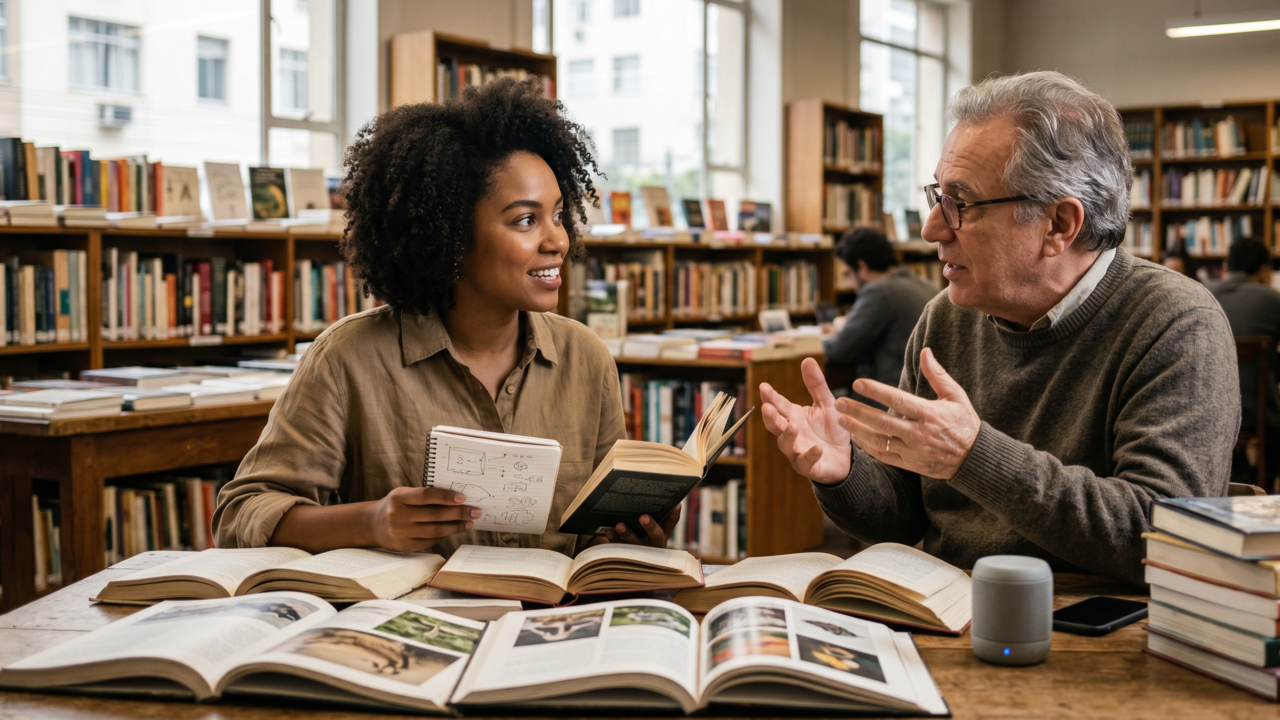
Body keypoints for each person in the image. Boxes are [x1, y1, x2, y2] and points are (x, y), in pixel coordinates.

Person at [759, 71, 1239, 586]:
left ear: (1059, 225)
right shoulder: (945, 317)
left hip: (1094, 634)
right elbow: (903, 516)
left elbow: (1160, 533)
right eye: (937, 196)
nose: (931, 229)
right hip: (951, 616)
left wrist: (973, 454)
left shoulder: (1175, 322)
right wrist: (845, 472)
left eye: (960, 203)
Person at [213, 78, 679, 556]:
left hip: (553, 625)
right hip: (413, 627)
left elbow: (597, 536)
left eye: (558, 215)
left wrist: (634, 538)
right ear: (451, 236)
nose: (557, 241)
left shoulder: (586, 358)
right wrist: (369, 522)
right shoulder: (347, 359)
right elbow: (241, 514)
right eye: (525, 220)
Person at [823, 228, 938, 402]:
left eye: (848, 273)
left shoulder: (879, 292)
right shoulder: (928, 287)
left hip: (891, 401)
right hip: (926, 396)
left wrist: (831, 334)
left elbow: (838, 351)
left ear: (862, 267)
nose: (850, 283)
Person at [1209, 237, 1280, 483]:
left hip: (1208, 410)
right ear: (1262, 269)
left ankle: (1235, 473)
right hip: (1257, 414)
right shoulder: (1272, 299)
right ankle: (1264, 481)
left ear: (1228, 264)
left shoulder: (1201, 293)